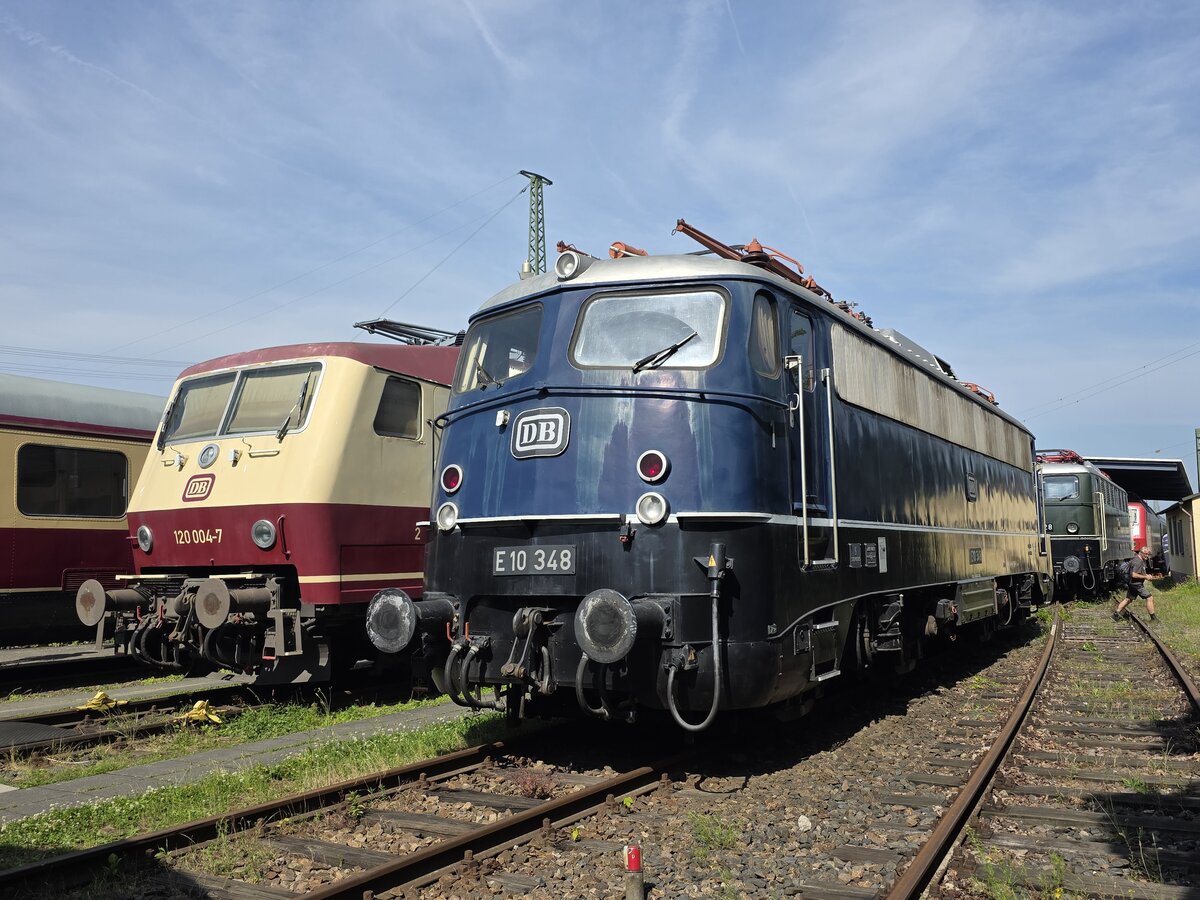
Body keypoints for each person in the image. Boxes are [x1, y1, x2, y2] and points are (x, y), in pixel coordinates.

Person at [1114, 545, 1157, 621]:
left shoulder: (1139, 560)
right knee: (1149, 598)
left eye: (1148, 554)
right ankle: (1153, 618)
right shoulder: (1138, 561)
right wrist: (1145, 577)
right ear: (1141, 553)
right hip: (1136, 584)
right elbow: (1134, 574)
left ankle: (1115, 614)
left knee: (1128, 599)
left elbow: (1139, 573)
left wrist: (1147, 575)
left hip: (1133, 583)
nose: (1147, 556)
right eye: (1146, 554)